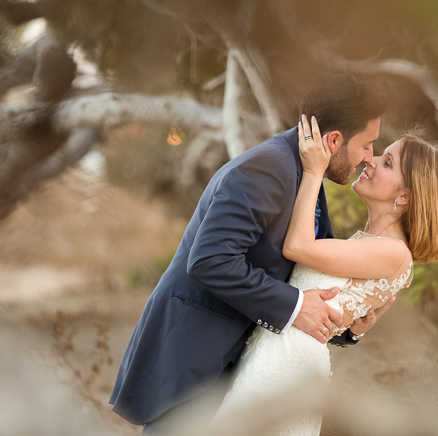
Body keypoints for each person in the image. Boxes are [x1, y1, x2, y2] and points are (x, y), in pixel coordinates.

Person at [109, 76, 388, 433]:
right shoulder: (268, 169)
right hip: (197, 355)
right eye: (367, 145)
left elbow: (298, 280)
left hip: (242, 366)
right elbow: (211, 260)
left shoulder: (305, 176)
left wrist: (348, 328)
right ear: (334, 140)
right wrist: (298, 306)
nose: (369, 158)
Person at [211, 115, 438, 435]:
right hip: (273, 354)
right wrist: (355, 329)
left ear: (405, 197)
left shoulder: (395, 253)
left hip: (287, 365)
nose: (370, 160)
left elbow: (298, 246)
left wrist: (315, 171)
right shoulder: (366, 243)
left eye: (386, 163)